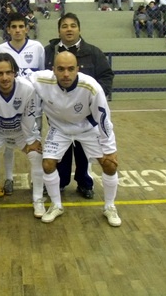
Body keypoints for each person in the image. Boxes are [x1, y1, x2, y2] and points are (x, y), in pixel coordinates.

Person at [29, 51, 121, 226]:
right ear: (53, 69)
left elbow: (103, 119)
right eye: (61, 69)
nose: (66, 74)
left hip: (87, 129)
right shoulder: (41, 79)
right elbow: (18, 74)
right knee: (48, 164)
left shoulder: (91, 87)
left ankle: (110, 206)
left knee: (109, 165)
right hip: (60, 129)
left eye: (71, 69)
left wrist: (110, 149)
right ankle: (56, 205)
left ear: (78, 69)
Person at [44, 13, 114, 198]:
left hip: (86, 117)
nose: (69, 29)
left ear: (79, 29)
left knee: (84, 153)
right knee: (61, 153)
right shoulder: (48, 52)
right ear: (59, 30)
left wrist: (96, 100)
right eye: (64, 26)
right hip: (59, 115)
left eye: (73, 25)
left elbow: (106, 76)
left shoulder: (93, 52)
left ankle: (84, 183)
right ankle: (60, 182)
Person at [0, 53, 45, 218]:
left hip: (21, 131)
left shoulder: (27, 88)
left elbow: (29, 117)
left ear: (15, 72)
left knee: (36, 154)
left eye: (8, 72)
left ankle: (38, 199)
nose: (5, 77)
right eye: (0, 73)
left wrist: (30, 141)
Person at [0, 12, 46, 195]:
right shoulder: (1, 49)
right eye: (14, 27)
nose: (17, 30)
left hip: (34, 107)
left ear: (27, 28)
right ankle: (9, 178)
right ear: (8, 29)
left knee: (35, 144)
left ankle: (35, 180)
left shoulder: (37, 47)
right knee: (9, 145)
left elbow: (41, 75)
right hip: (9, 107)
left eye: (21, 26)